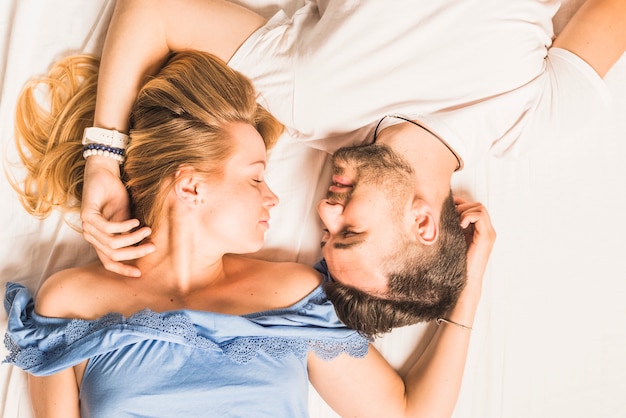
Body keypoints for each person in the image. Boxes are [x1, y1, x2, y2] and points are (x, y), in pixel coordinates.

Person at [81, 0, 625, 334]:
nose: (324, 208)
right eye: (351, 231)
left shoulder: (306, 104)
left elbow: (153, 11)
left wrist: (104, 162)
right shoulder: (531, 125)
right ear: (423, 224)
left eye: (325, 231)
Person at [4, 47, 496, 417]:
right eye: (256, 176)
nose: (273, 198)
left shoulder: (293, 294)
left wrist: (468, 282)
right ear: (191, 186)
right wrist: (103, 163)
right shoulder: (69, 303)